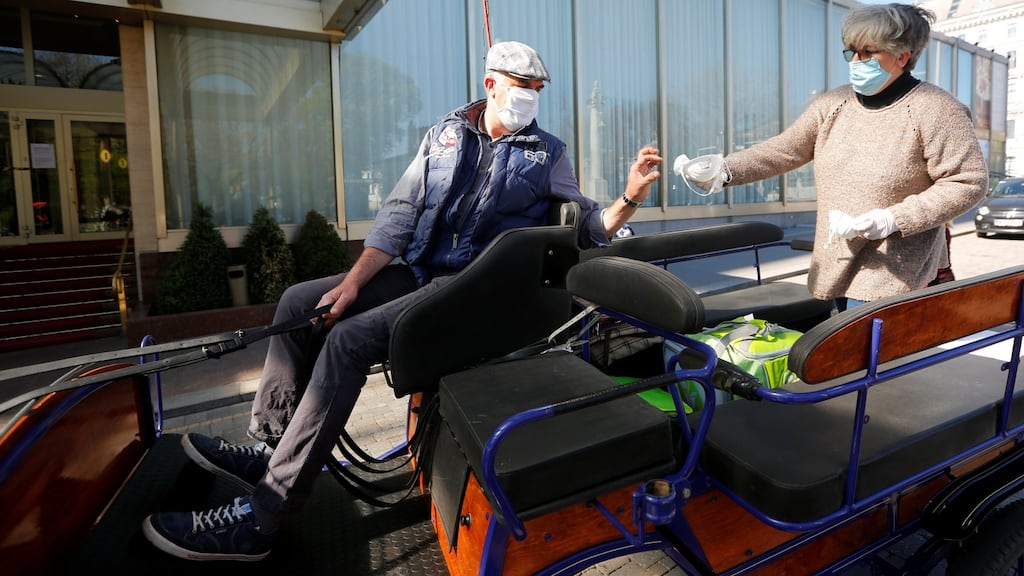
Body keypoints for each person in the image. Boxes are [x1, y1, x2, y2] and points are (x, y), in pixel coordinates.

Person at [142, 40, 663, 561]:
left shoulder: (546, 152)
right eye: (522, 85)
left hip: (469, 289)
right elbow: (399, 213)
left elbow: (590, 225)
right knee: (301, 302)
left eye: (537, 89)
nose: (530, 96)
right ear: (491, 84)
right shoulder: (444, 134)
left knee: (347, 341)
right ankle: (271, 446)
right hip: (418, 272)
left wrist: (632, 196)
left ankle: (265, 515)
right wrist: (351, 283)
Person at [682, 3, 987, 311]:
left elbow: (967, 182)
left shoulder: (935, 109)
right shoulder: (834, 104)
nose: (856, 61)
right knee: (836, 355)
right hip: (834, 262)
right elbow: (784, 149)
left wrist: (894, 218)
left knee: (866, 356)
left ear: (902, 56)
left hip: (894, 272)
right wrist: (724, 169)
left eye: (868, 52)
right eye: (852, 51)